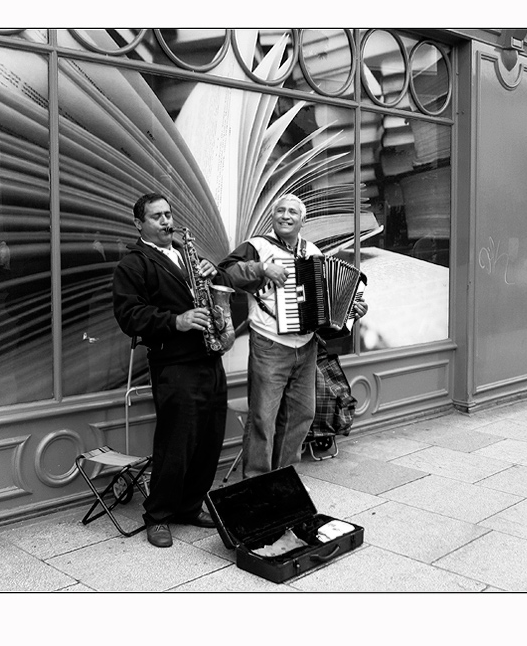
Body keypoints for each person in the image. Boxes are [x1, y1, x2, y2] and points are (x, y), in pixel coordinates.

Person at [218, 194, 368, 478]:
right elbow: (224, 273)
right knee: (263, 418)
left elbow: (324, 311)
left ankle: (285, 479)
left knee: (302, 416)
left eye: (292, 212)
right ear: (273, 216)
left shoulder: (312, 252)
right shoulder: (258, 246)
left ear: (303, 220)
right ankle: (258, 483)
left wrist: (350, 310)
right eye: (280, 211)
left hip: (306, 347)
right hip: (269, 344)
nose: (286, 216)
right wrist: (261, 268)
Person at [112, 192, 231, 547]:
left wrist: (215, 272)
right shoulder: (133, 265)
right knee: (175, 444)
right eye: (156, 217)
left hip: (209, 357)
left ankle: (190, 506)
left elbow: (217, 291)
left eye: (168, 214)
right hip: (174, 363)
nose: (166, 222)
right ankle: (159, 515)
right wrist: (176, 320)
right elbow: (128, 315)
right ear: (139, 223)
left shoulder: (185, 253)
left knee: (209, 441)